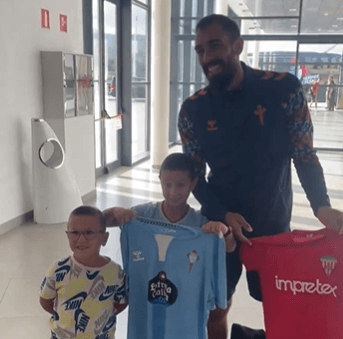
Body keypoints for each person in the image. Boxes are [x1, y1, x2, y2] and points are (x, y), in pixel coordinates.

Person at [178, 14, 343, 339]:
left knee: (279, 305)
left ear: (237, 46)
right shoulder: (193, 110)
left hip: (271, 226)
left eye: (214, 45)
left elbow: (304, 154)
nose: (206, 57)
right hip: (219, 229)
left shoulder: (284, 90)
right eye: (199, 50)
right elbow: (194, 174)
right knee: (215, 310)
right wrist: (223, 213)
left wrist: (321, 206)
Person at [103, 152, 236, 338]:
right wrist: (116, 211)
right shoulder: (143, 215)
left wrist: (224, 231)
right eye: (167, 185)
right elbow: (101, 222)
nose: (173, 192)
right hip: (146, 314)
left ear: (193, 184)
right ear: (160, 180)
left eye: (181, 185)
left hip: (185, 316)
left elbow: (229, 247)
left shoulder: (201, 224)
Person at [39, 206, 127, 339]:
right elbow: (45, 300)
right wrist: (64, 315)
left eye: (89, 232)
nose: (81, 239)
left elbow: (120, 304)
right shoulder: (58, 269)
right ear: (67, 235)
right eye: (74, 233)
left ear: (104, 238)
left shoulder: (116, 273)